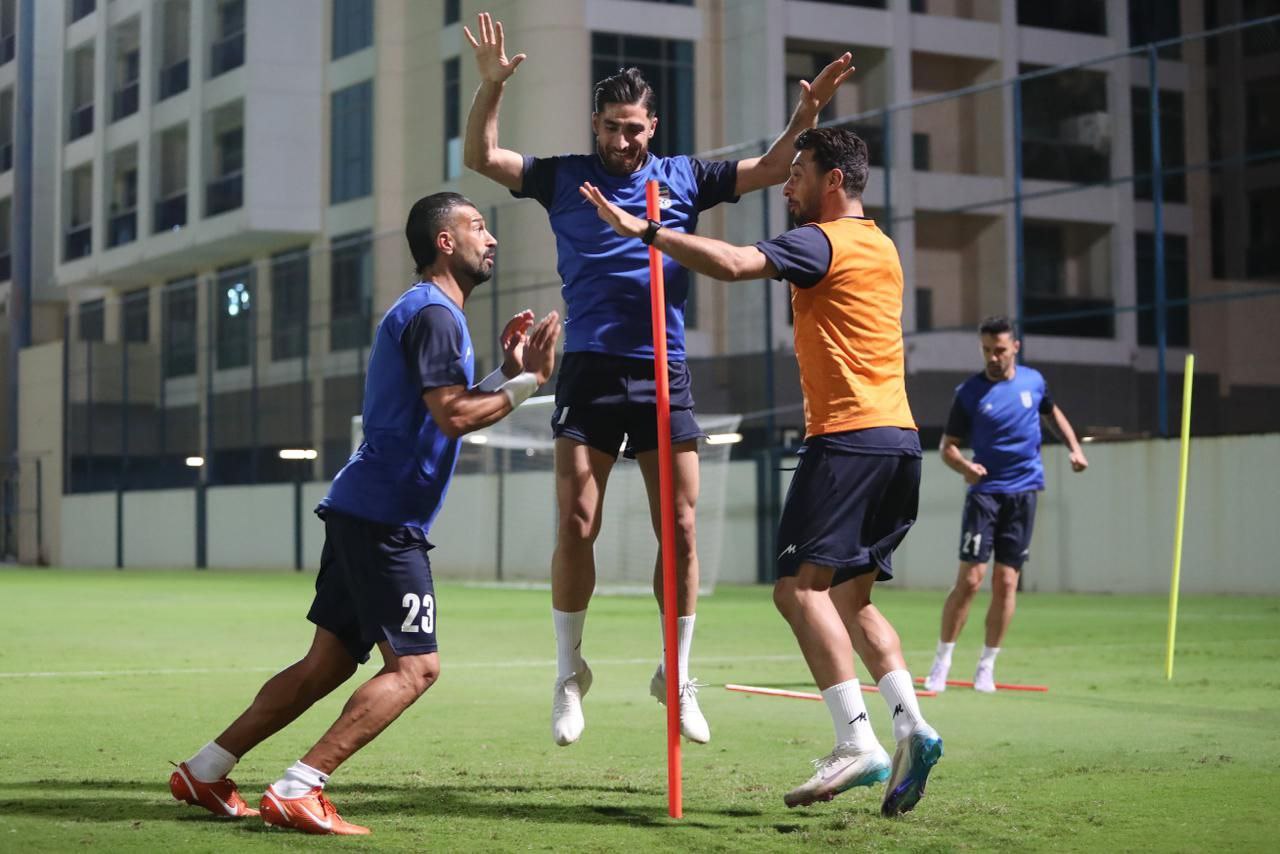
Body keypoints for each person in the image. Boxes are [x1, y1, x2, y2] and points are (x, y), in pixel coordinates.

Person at [462, 11, 855, 748]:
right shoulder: (563, 176)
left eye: (634, 129)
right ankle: (569, 673)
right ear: (596, 125)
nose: (623, 141)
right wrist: (491, 87)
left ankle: (675, 675)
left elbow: (772, 169)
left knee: (678, 528)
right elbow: (481, 156)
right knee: (577, 523)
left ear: (653, 127)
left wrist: (806, 114)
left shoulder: (684, 177)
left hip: (663, 371)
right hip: (588, 369)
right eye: (611, 128)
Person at [167, 192, 561, 835]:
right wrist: (531, 382)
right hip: (384, 521)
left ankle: (205, 770)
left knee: (326, 664)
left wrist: (503, 374)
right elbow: (453, 417)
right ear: (444, 242)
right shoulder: (436, 315)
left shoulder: (428, 311)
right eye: (478, 227)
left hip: (362, 509)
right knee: (416, 668)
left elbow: (444, 409)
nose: (491, 239)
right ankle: (300, 787)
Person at [580, 126, 942, 816]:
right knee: (852, 601)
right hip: (899, 441)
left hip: (847, 440)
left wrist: (645, 231)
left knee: (796, 592)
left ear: (834, 181)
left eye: (798, 173)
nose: (786, 185)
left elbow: (732, 262)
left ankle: (855, 741)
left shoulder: (822, 242)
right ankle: (911, 724)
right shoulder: (883, 246)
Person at [923, 316, 1088, 694]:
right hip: (985, 494)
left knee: (1007, 581)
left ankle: (986, 667)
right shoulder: (968, 393)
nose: (992, 357)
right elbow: (947, 448)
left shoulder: (1034, 382)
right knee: (970, 581)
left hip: (1023, 492)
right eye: (986, 350)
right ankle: (942, 662)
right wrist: (965, 467)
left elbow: (1052, 413)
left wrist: (1075, 449)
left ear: (1015, 347)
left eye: (999, 350)